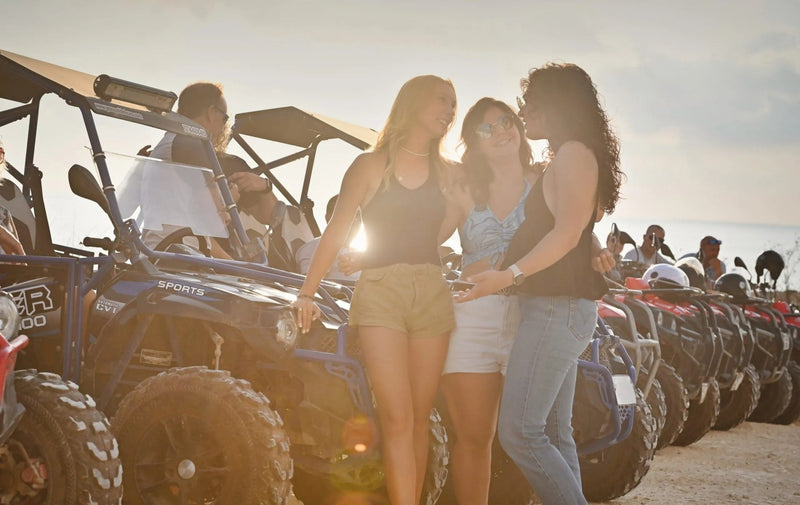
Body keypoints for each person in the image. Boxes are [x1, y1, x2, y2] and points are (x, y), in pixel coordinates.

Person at [457, 63, 622, 505]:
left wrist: (508, 276)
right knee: (553, 432)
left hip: (557, 309)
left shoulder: (572, 154)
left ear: (557, 104)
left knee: (519, 433)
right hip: (554, 308)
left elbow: (567, 233)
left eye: (530, 103)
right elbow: (580, 229)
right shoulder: (567, 155)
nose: (523, 110)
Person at [293, 75, 457, 505]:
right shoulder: (369, 165)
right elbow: (336, 229)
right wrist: (307, 293)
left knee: (420, 418)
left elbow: (456, 225)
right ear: (414, 102)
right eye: (443, 100)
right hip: (381, 293)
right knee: (397, 416)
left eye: (454, 104)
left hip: (432, 293)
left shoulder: (450, 173)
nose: (450, 110)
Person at [141, 82, 278, 257]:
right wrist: (230, 199)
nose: (223, 126)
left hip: (171, 249)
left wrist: (265, 186)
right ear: (212, 112)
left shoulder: (171, 143)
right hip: (176, 254)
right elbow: (213, 217)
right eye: (224, 118)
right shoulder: (188, 143)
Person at [295, 194, 361, 281]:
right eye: (347, 213)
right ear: (329, 218)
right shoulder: (315, 248)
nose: (354, 221)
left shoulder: (358, 253)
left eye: (358, 216)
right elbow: (311, 285)